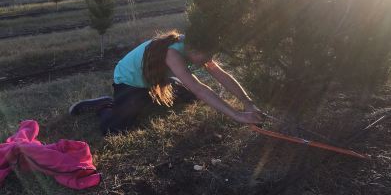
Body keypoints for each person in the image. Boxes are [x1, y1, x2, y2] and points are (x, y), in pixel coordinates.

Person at [69, 30, 263, 134]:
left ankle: (147, 98)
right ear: (194, 49)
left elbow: (220, 74)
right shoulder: (173, 52)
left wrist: (248, 103)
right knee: (115, 129)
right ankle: (105, 105)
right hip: (130, 82)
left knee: (188, 97)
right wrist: (238, 116)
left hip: (157, 79)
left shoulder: (194, 46)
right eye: (206, 56)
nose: (208, 60)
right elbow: (199, 88)